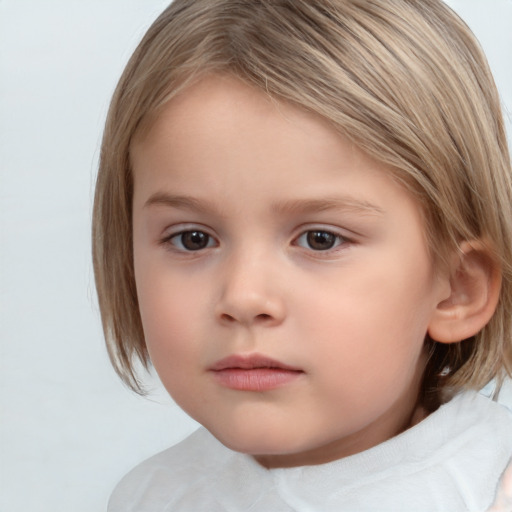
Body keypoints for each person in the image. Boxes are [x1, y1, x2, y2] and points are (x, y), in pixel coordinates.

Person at [92, 0, 512, 510]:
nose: (244, 297)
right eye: (193, 239)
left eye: (320, 239)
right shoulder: (150, 497)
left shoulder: (492, 488)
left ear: (457, 288)